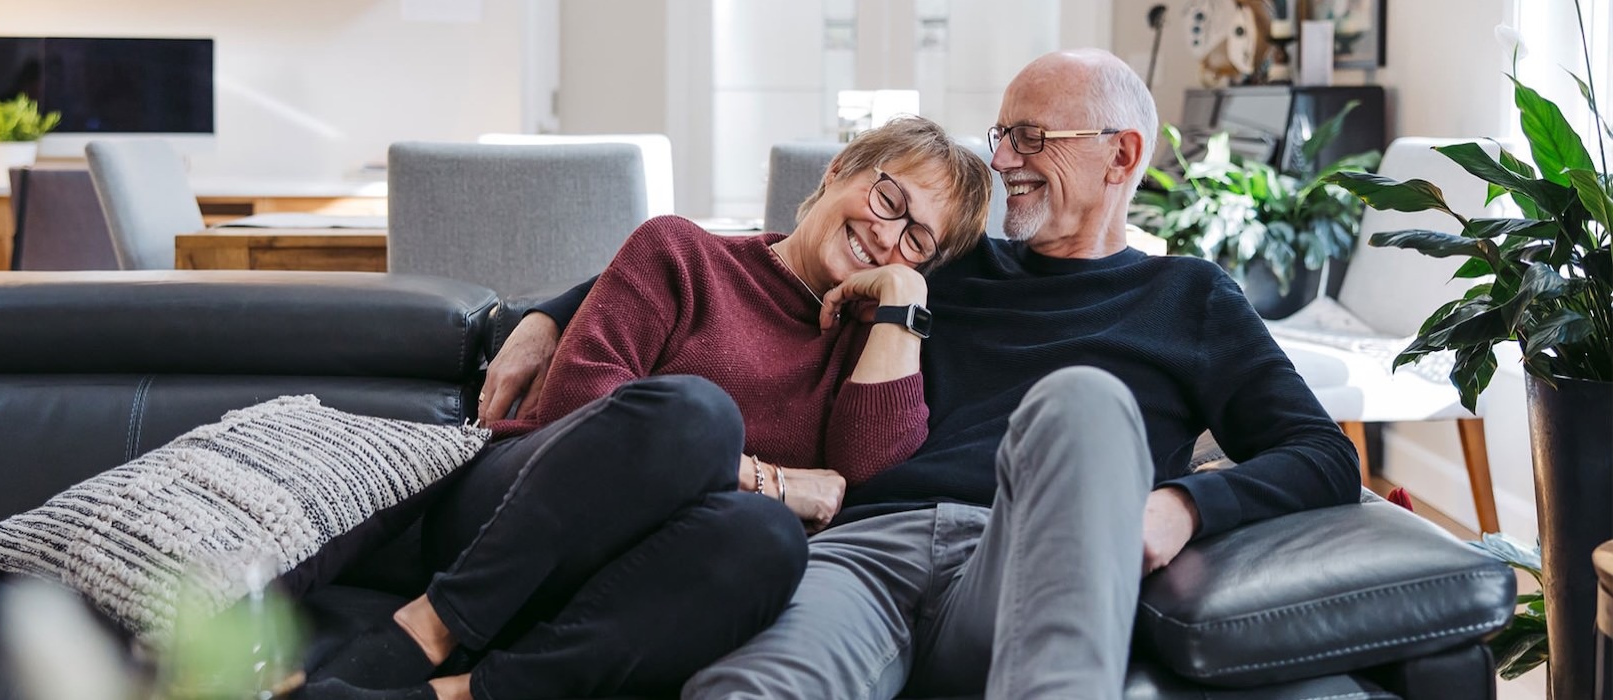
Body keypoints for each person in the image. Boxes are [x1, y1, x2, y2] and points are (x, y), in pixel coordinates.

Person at [483, 49, 1360, 699]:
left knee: (1085, 401)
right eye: (1001, 134)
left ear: (1121, 156)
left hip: (1021, 554)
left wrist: (1187, 504)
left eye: (1032, 137)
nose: (1005, 158)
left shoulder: (1191, 298)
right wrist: (544, 312)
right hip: (857, 553)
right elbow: (745, 261)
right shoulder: (946, 259)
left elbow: (1323, 453)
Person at [309, 116, 993, 700]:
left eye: (917, 242)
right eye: (888, 200)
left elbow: (868, 481)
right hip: (522, 513)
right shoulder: (681, 251)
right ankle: (430, 627)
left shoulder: (876, 350)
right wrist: (772, 481)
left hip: (644, 581)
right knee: (695, 416)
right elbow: (580, 406)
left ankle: (466, 692)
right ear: (842, 169)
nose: (887, 236)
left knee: (768, 542)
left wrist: (901, 300)